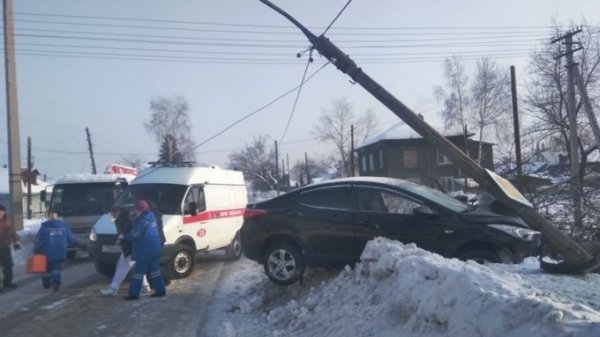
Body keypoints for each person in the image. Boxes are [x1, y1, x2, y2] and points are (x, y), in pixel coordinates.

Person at [100, 206, 151, 296]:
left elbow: (131, 234)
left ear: (117, 212)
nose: (112, 216)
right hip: (135, 246)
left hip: (131, 247)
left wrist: (122, 238)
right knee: (137, 266)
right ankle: (145, 286)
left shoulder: (125, 220)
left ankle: (113, 288)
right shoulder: (126, 218)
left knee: (122, 267)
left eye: (113, 214)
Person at [122, 200, 166, 300]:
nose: (135, 212)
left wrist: (123, 236)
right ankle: (160, 290)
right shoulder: (151, 217)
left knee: (138, 273)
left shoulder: (141, 221)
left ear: (140, 210)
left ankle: (133, 294)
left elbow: (134, 235)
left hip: (144, 250)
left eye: (136, 210)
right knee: (155, 271)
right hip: (154, 248)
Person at [34, 211, 78, 292]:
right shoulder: (64, 227)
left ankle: (46, 283)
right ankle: (56, 283)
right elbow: (72, 239)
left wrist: (36, 250)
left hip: (46, 251)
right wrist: (75, 243)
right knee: (56, 268)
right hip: (59, 251)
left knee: (46, 268)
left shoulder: (44, 227)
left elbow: (38, 240)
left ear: (49, 217)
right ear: (58, 217)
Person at [0, 204, 20, 291]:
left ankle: (7, 283)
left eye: (2, 211)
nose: (1, 213)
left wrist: (16, 242)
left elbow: (13, 232)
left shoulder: (8, 219)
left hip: (6, 247)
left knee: (8, 266)